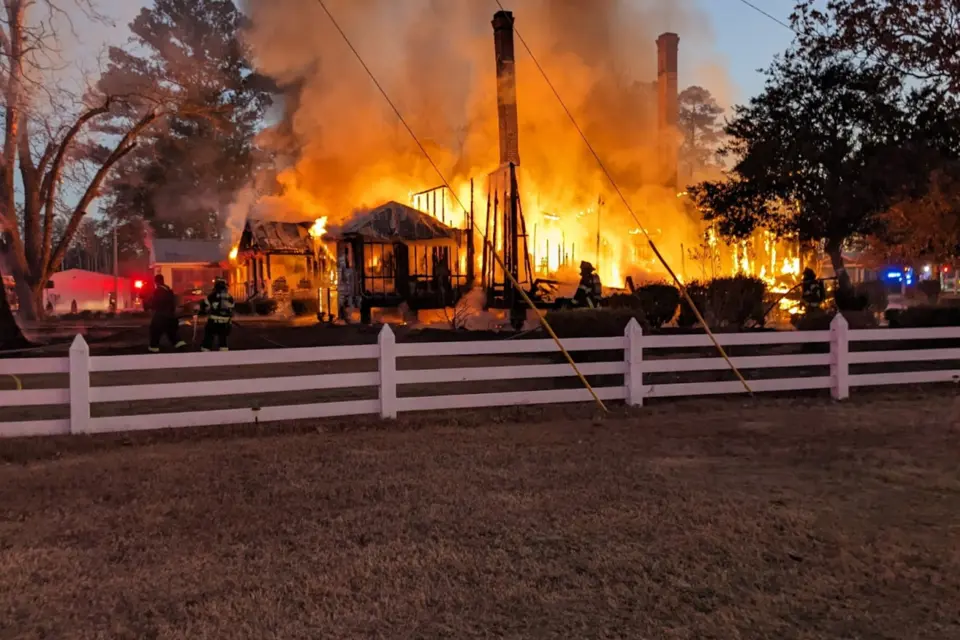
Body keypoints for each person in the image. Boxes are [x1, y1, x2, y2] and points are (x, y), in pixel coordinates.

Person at [144, 274, 185, 353]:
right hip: (171, 317)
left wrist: (148, 305)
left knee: (154, 332)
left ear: (156, 282)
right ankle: (182, 347)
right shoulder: (169, 290)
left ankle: (153, 350)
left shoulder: (158, 291)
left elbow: (156, 304)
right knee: (172, 334)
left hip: (161, 317)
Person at [201, 278, 234, 352]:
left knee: (208, 338)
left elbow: (205, 307)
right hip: (225, 323)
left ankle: (205, 354)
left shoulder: (211, 296)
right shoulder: (229, 297)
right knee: (223, 340)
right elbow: (232, 308)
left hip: (213, 323)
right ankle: (224, 355)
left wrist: (203, 311)